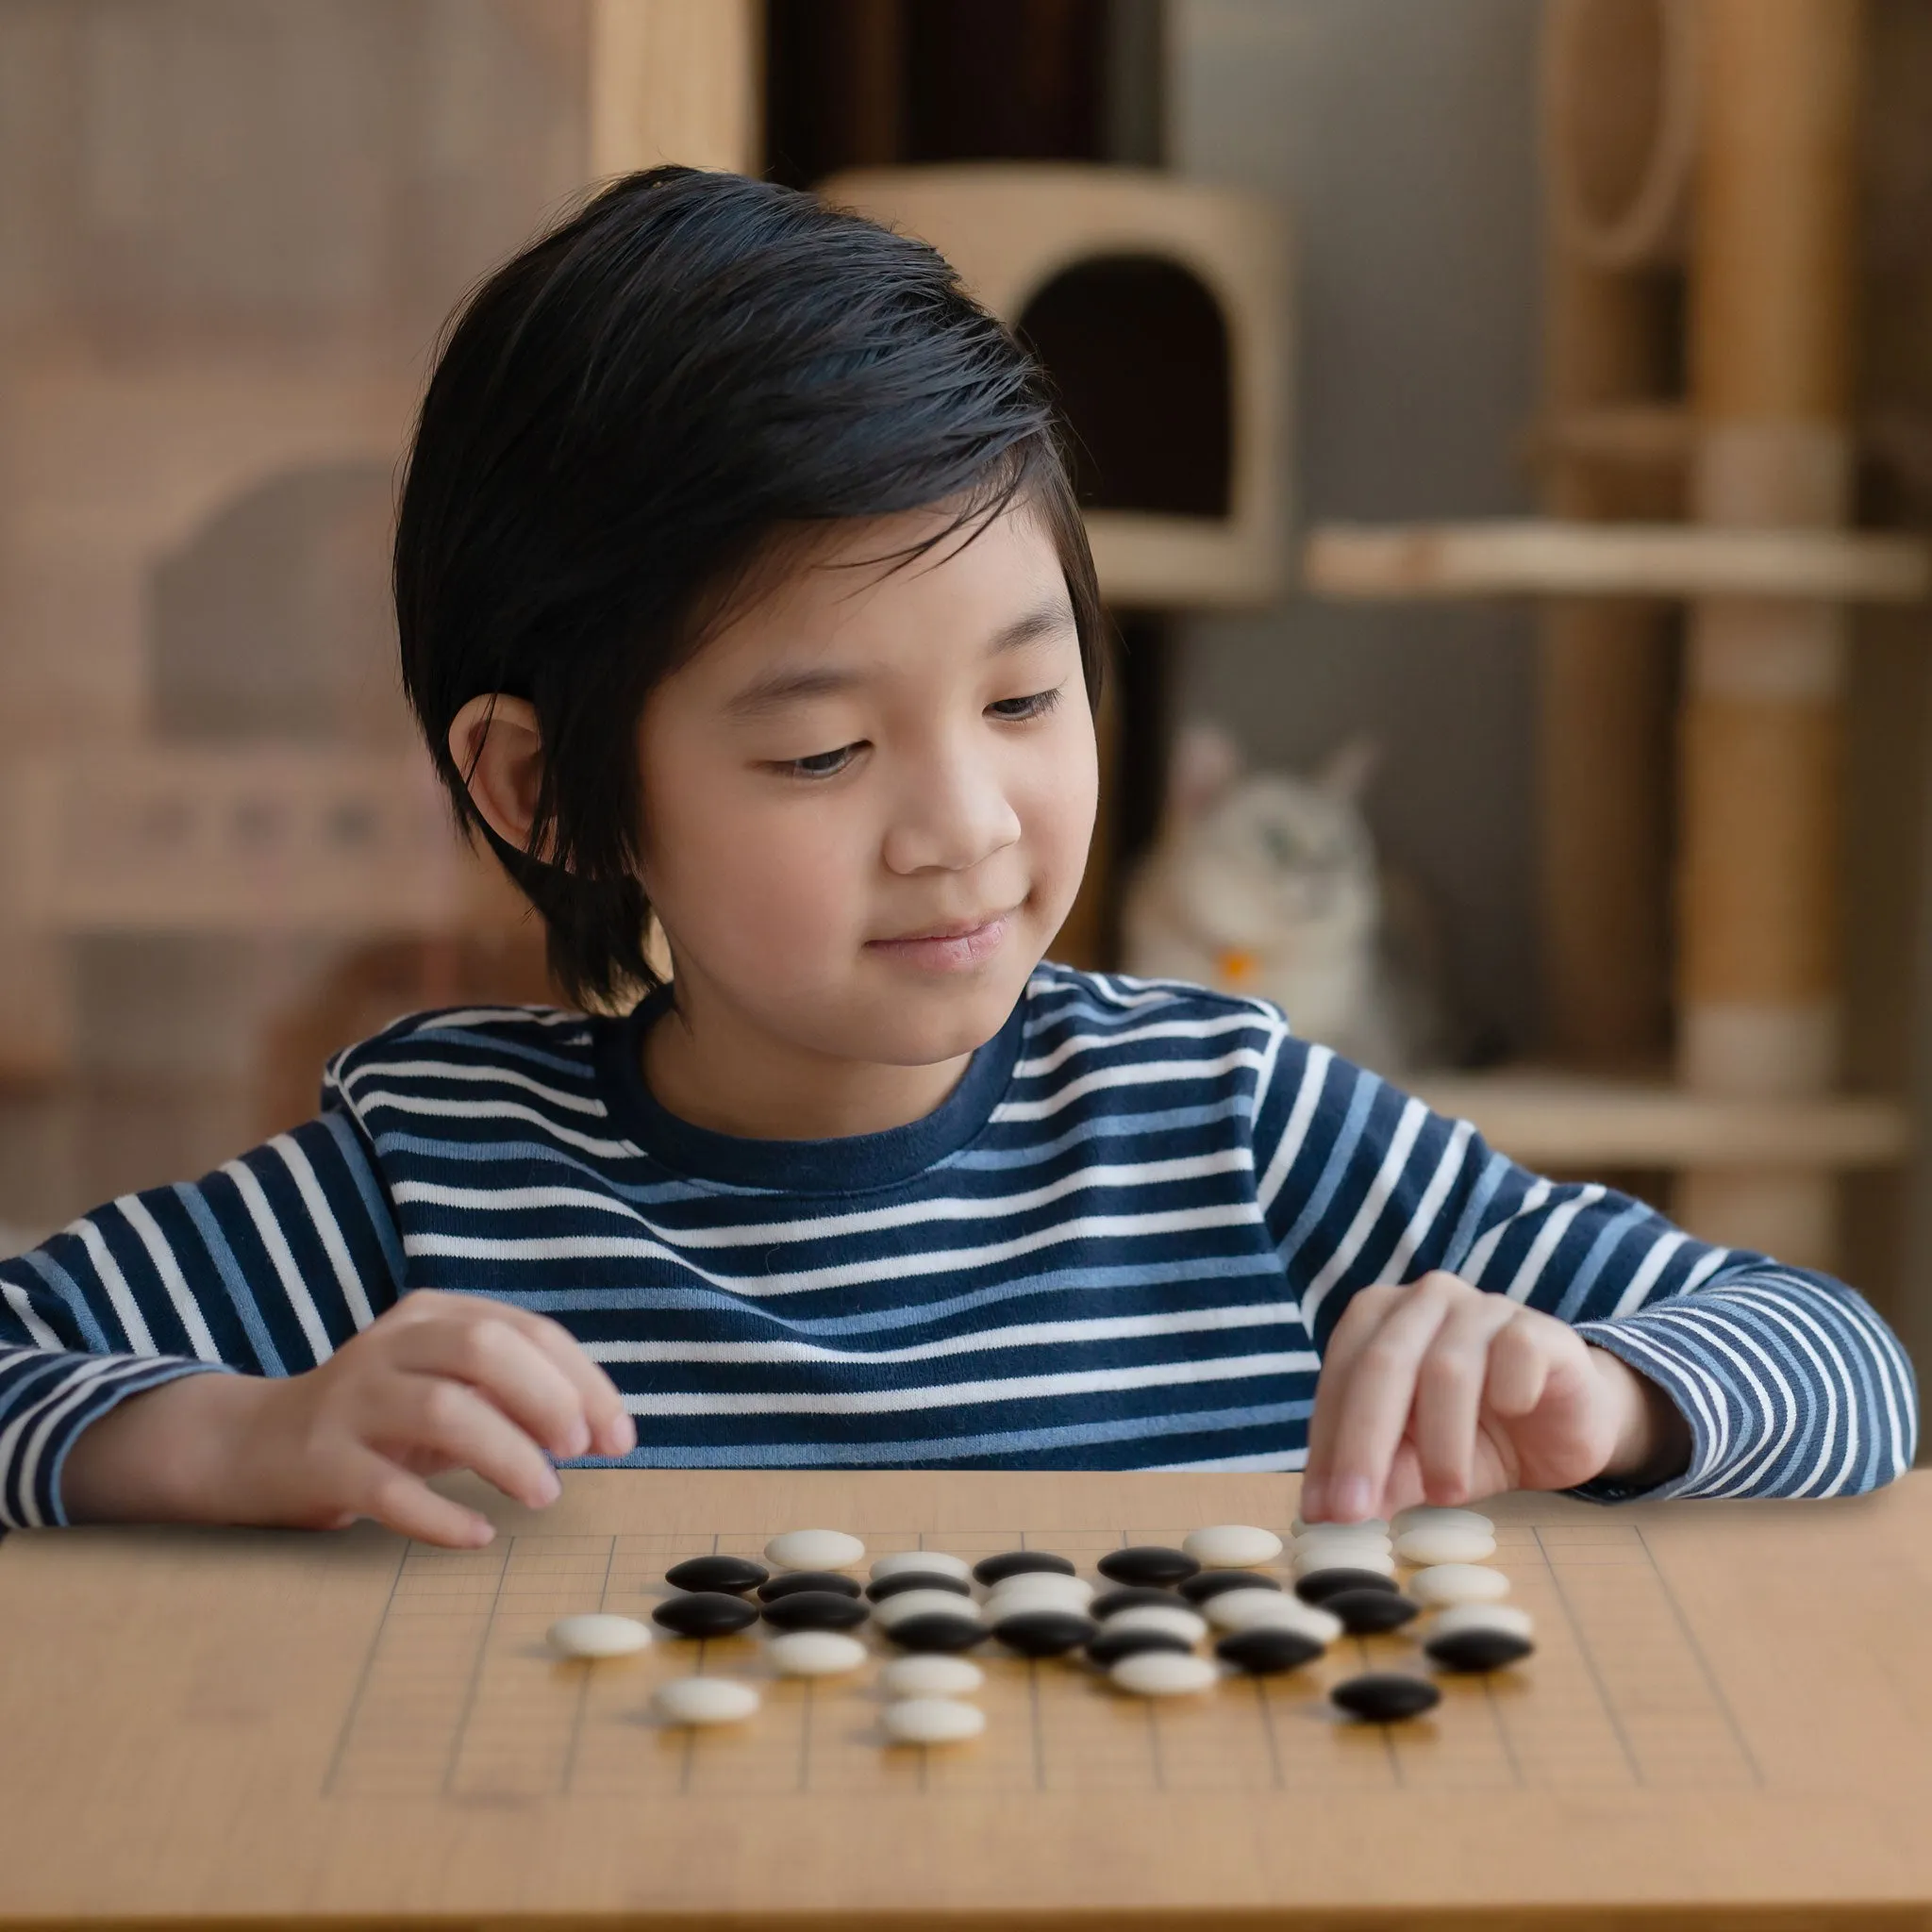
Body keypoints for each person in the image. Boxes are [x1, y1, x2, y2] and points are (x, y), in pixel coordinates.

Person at [0, 169, 1914, 1548]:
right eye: (824, 748)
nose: (970, 827)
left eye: (1025, 699)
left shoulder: (1227, 1120)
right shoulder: (439, 1177)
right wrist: (239, 1437)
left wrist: (1612, 1395)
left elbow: (1844, 1364)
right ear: (544, 793)